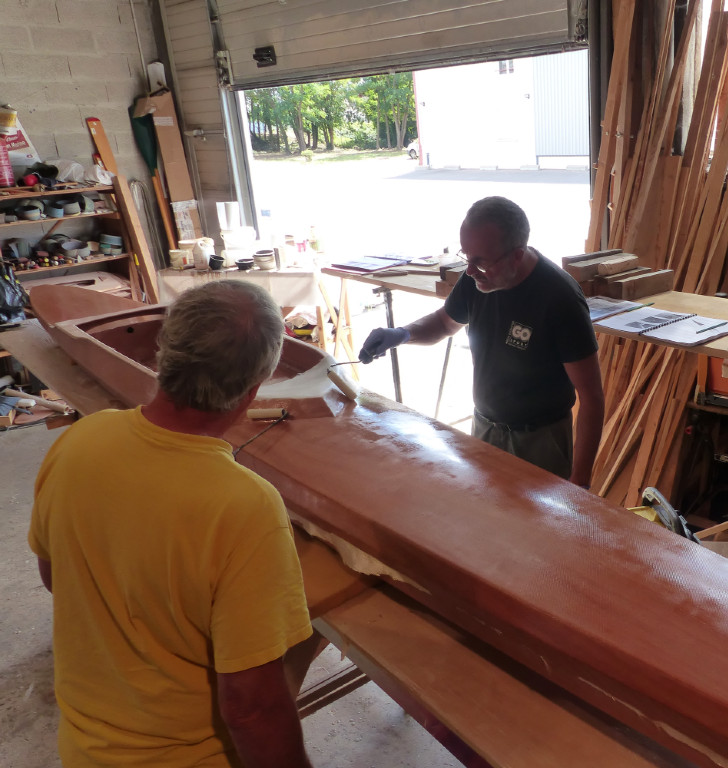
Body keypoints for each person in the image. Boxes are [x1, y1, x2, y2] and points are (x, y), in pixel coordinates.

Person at [29, 280, 315, 768]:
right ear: (256, 387)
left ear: (162, 352)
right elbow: (252, 709)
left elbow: (57, 577)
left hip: (83, 750)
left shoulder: (81, 440)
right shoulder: (245, 508)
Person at [360, 196, 604, 487]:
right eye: (466, 256)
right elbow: (443, 322)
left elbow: (591, 397)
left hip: (541, 440)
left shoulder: (559, 298)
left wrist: (581, 480)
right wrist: (402, 334)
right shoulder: (476, 280)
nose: (470, 270)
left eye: (480, 261)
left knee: (534, 528)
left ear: (516, 255)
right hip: (485, 428)